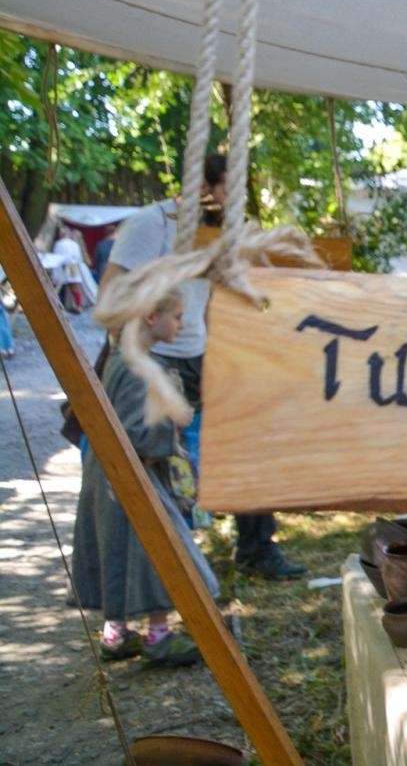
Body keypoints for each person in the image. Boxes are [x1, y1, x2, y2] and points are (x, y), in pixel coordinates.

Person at [103, 153, 307, 579]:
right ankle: (164, 563)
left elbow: (214, 298)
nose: (236, 202)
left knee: (248, 438)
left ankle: (256, 548)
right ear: (201, 187)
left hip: (201, 354)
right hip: (155, 359)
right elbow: (111, 293)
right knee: (162, 460)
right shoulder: (150, 224)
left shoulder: (217, 233)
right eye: (228, 191)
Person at [72, 289, 219, 665]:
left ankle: (116, 633)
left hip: (112, 475)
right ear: (152, 317)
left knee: (118, 551)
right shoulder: (140, 368)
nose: (182, 324)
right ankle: (159, 636)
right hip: (134, 477)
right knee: (158, 552)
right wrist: (173, 421)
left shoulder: (125, 358)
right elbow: (136, 434)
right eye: (177, 316)